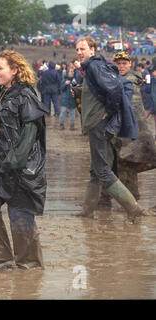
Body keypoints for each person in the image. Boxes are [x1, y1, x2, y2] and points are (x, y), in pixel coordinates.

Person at [0, 26, 47, 270]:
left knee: (20, 217)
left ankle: (30, 266)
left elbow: (30, 135)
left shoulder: (26, 95)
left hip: (22, 171)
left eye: (0, 68)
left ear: (14, 71)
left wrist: (13, 163)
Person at [73, 37, 145, 223]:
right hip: (97, 124)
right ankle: (87, 211)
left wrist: (109, 111)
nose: (79, 52)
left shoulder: (95, 66)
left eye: (83, 49)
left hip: (98, 125)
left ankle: (133, 208)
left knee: (102, 170)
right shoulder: (92, 67)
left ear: (93, 49)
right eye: (77, 49)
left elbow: (114, 89)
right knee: (96, 170)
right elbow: (101, 90)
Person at [109, 51, 156, 201]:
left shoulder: (129, 82)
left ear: (130, 64)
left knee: (126, 167)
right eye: (118, 63)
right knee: (112, 166)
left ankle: (132, 203)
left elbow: (129, 109)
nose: (121, 66)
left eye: (124, 63)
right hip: (121, 134)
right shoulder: (116, 80)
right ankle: (108, 201)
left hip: (129, 136)